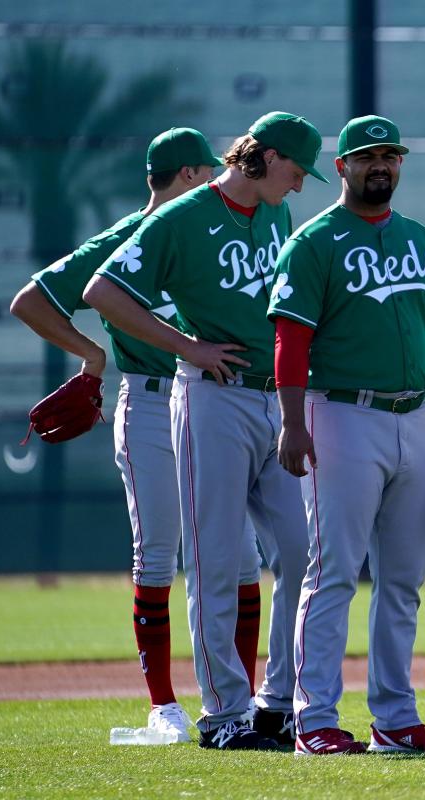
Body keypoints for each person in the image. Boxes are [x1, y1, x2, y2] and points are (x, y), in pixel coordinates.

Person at [9, 128, 265, 743]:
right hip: (151, 405)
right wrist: (92, 355)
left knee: (244, 557)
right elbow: (30, 301)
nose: (217, 180)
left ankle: (246, 698)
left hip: (220, 405)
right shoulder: (123, 240)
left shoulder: (228, 231)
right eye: (208, 171)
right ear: (185, 176)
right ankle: (164, 705)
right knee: (157, 555)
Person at [84, 112, 327, 750]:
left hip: (275, 401)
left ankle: (275, 701)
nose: (301, 186)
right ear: (268, 158)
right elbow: (102, 290)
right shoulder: (182, 216)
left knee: (306, 554)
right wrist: (186, 345)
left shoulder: (275, 213)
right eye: (297, 171)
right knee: (217, 558)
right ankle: (224, 715)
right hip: (213, 401)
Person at [267, 115, 425, 756]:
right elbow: (290, 340)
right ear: (342, 168)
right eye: (367, 156)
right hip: (342, 416)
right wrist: (294, 424)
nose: (380, 165)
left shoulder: (418, 239)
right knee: (333, 573)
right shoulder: (315, 242)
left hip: (416, 418)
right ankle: (315, 719)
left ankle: (395, 716)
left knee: (404, 579)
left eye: (390, 155)